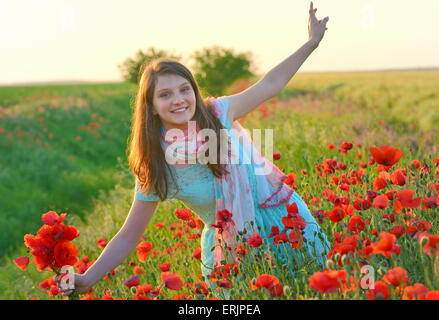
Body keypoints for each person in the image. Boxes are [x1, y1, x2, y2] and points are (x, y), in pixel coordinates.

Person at [56, 1, 330, 297]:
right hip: (233, 253)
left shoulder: (219, 113)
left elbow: (271, 84)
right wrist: (87, 278)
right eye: (165, 94)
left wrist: (311, 43)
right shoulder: (156, 165)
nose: (179, 100)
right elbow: (127, 236)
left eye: (185, 89)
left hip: (286, 225)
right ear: (151, 106)